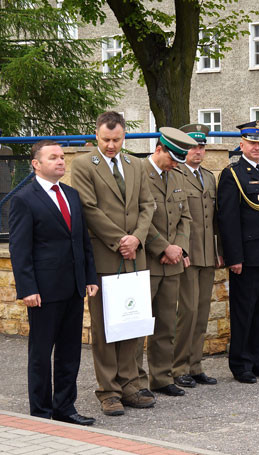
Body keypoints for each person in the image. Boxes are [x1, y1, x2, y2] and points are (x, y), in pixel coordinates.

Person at [71, 111, 157, 416]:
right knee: (107, 327)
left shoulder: (135, 164)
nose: (111, 145)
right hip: (107, 256)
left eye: (117, 139)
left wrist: (137, 238)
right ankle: (108, 391)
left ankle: (131, 384)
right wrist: (120, 240)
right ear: (96, 134)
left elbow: (148, 205)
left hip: (136, 255)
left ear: (124, 137)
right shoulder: (83, 165)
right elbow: (88, 208)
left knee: (132, 320)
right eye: (106, 139)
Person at [9, 140, 98, 425]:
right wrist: (28, 288)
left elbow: (82, 240)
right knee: (41, 353)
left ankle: (64, 408)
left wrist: (89, 277)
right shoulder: (24, 199)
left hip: (73, 287)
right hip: (44, 291)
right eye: (53, 157)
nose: (60, 161)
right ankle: (41, 412)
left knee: (70, 353)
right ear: (36, 163)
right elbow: (20, 249)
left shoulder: (71, 194)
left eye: (62, 157)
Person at [217, 121, 259, 383]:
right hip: (248, 256)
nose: (257, 147)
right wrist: (235, 257)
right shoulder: (233, 174)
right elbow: (229, 219)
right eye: (252, 143)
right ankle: (241, 364)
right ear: (242, 144)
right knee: (244, 311)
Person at [135, 128, 194, 398]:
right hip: (146, 260)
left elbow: (186, 218)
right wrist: (163, 247)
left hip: (172, 263)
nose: (174, 165)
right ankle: (134, 381)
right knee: (138, 327)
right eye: (172, 158)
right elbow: (136, 218)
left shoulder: (176, 175)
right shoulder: (137, 173)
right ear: (159, 149)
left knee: (166, 324)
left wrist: (179, 248)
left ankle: (161, 377)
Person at [172, 124, 222, 388]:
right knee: (187, 313)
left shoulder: (209, 176)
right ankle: (177, 366)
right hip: (187, 255)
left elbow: (214, 220)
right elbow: (173, 218)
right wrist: (181, 249)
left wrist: (218, 251)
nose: (198, 151)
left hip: (206, 254)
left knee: (202, 312)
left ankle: (195, 365)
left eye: (201, 146)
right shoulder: (176, 174)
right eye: (192, 146)